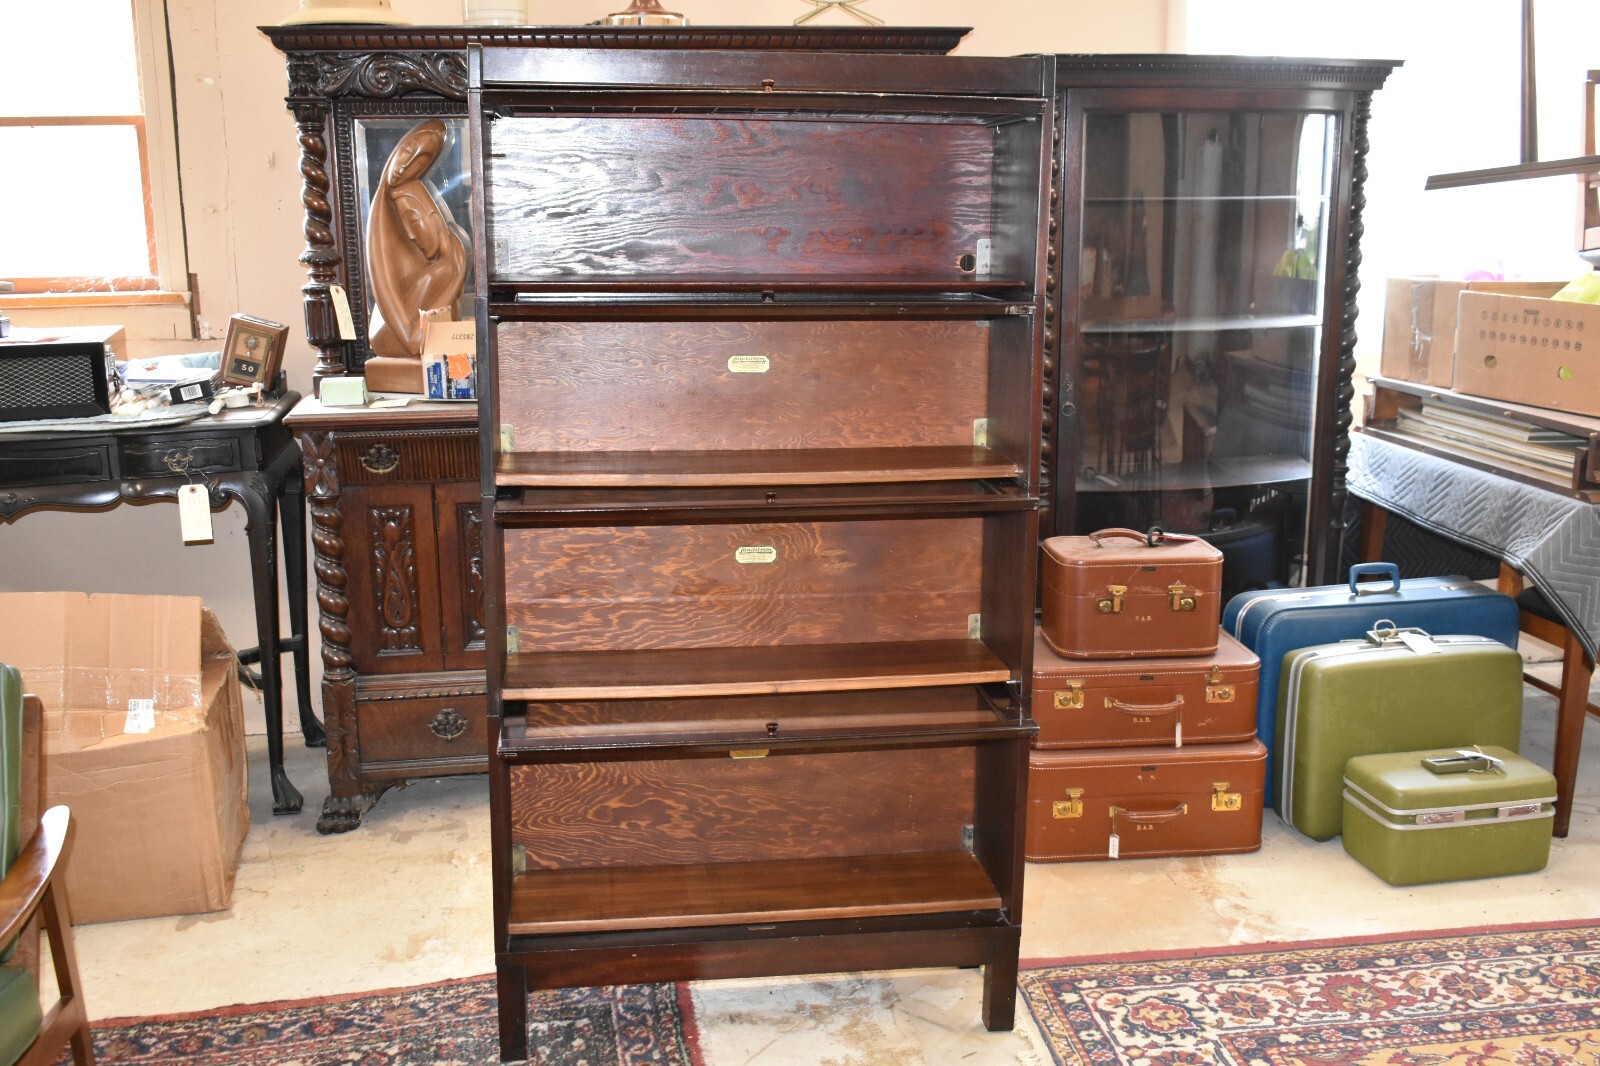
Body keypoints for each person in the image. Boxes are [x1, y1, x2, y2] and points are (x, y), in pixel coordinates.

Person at [364, 119, 469, 393]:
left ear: (435, 218)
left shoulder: (444, 258)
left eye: (415, 219)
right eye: (405, 224)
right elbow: (413, 342)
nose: (410, 235)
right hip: (394, 342)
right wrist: (456, 277)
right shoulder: (443, 269)